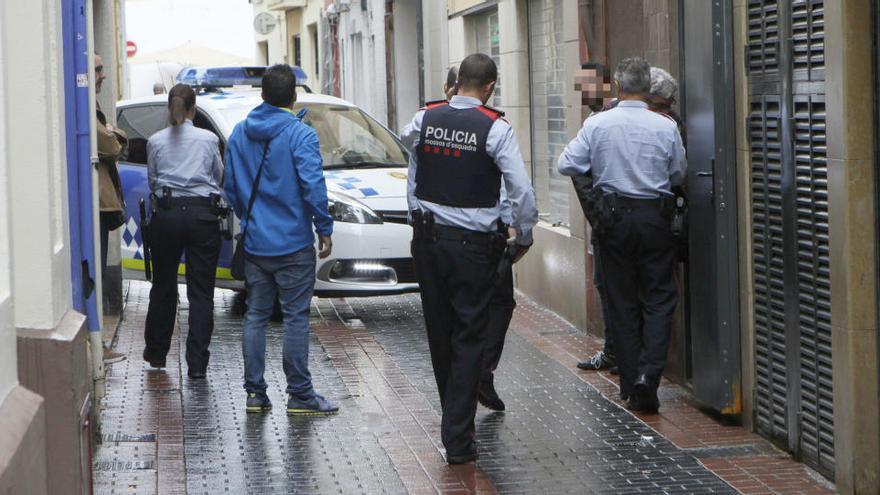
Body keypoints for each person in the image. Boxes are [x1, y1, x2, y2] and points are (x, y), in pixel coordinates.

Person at [405, 53, 538, 463]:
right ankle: (458, 438)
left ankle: (454, 423)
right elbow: (521, 189)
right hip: (473, 248)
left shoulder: (423, 119)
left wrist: (417, 214)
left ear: (456, 81)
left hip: (428, 242)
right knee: (469, 337)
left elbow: (413, 165)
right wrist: (525, 232)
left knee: (440, 332)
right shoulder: (495, 128)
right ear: (490, 87)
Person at [558, 57, 686, 413]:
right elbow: (678, 173)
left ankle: (630, 383)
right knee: (660, 299)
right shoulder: (665, 126)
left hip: (613, 219)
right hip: (654, 218)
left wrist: (601, 168)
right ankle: (649, 376)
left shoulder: (598, 124)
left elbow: (566, 163)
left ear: (617, 86)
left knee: (621, 301)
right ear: (647, 88)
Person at [224, 64, 337, 416]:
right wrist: (324, 226)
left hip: (256, 243)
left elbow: (230, 188)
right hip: (292, 244)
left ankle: (255, 394)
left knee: (255, 315)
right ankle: (300, 395)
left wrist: (251, 217)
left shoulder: (240, 134)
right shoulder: (300, 135)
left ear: (261, 95)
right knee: (295, 318)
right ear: (294, 96)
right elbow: (313, 185)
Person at [142, 83, 224, 379]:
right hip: (203, 215)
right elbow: (218, 175)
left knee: (163, 285)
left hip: (167, 213)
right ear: (193, 109)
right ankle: (198, 365)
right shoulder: (208, 139)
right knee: (201, 292)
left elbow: (153, 180)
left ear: (170, 107)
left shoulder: (155, 141)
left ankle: (157, 352)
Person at [570, 62, 618, 373]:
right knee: (604, 286)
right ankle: (614, 351)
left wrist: (599, 214)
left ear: (606, 83)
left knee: (616, 288)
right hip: (601, 221)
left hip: (613, 219)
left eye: (588, 84)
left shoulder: (610, 119)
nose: (584, 92)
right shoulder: (592, 120)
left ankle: (619, 354)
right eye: (580, 86)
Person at [94, 53, 127, 364]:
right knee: (97, 272)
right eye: (98, 69)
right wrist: (115, 133)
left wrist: (112, 132)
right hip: (98, 205)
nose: (103, 75)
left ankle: (98, 343)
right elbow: (111, 145)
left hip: (101, 203)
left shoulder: (95, 106)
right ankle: (97, 344)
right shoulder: (88, 106)